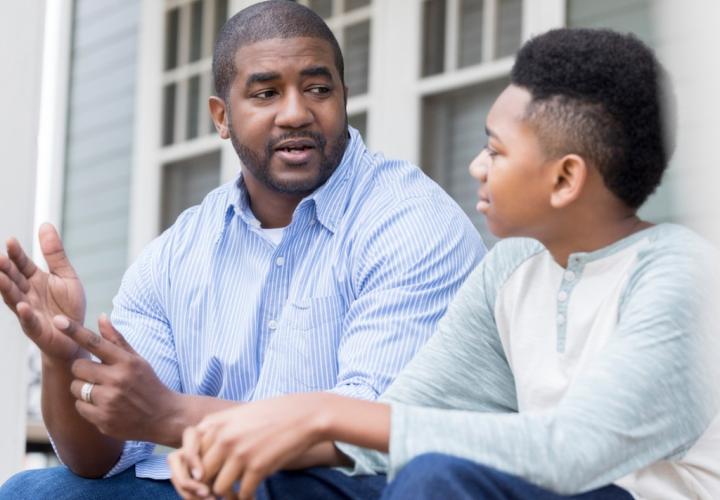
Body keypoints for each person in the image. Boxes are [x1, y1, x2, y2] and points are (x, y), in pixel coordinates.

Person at [168, 27, 720, 500]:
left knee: (436, 479)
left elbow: (571, 450)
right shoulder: (512, 269)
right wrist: (242, 440)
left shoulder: (679, 275)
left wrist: (318, 411)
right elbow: (400, 422)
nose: (477, 166)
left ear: (564, 178)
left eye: (497, 151)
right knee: (277, 480)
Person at [0, 1, 483, 498]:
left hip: (356, 488)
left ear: (344, 97)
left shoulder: (410, 221)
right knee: (34, 491)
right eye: (266, 93)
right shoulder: (179, 253)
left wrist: (169, 415)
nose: (296, 113)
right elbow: (101, 458)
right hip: (219, 486)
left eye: (319, 89)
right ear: (221, 116)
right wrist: (63, 357)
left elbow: (370, 436)